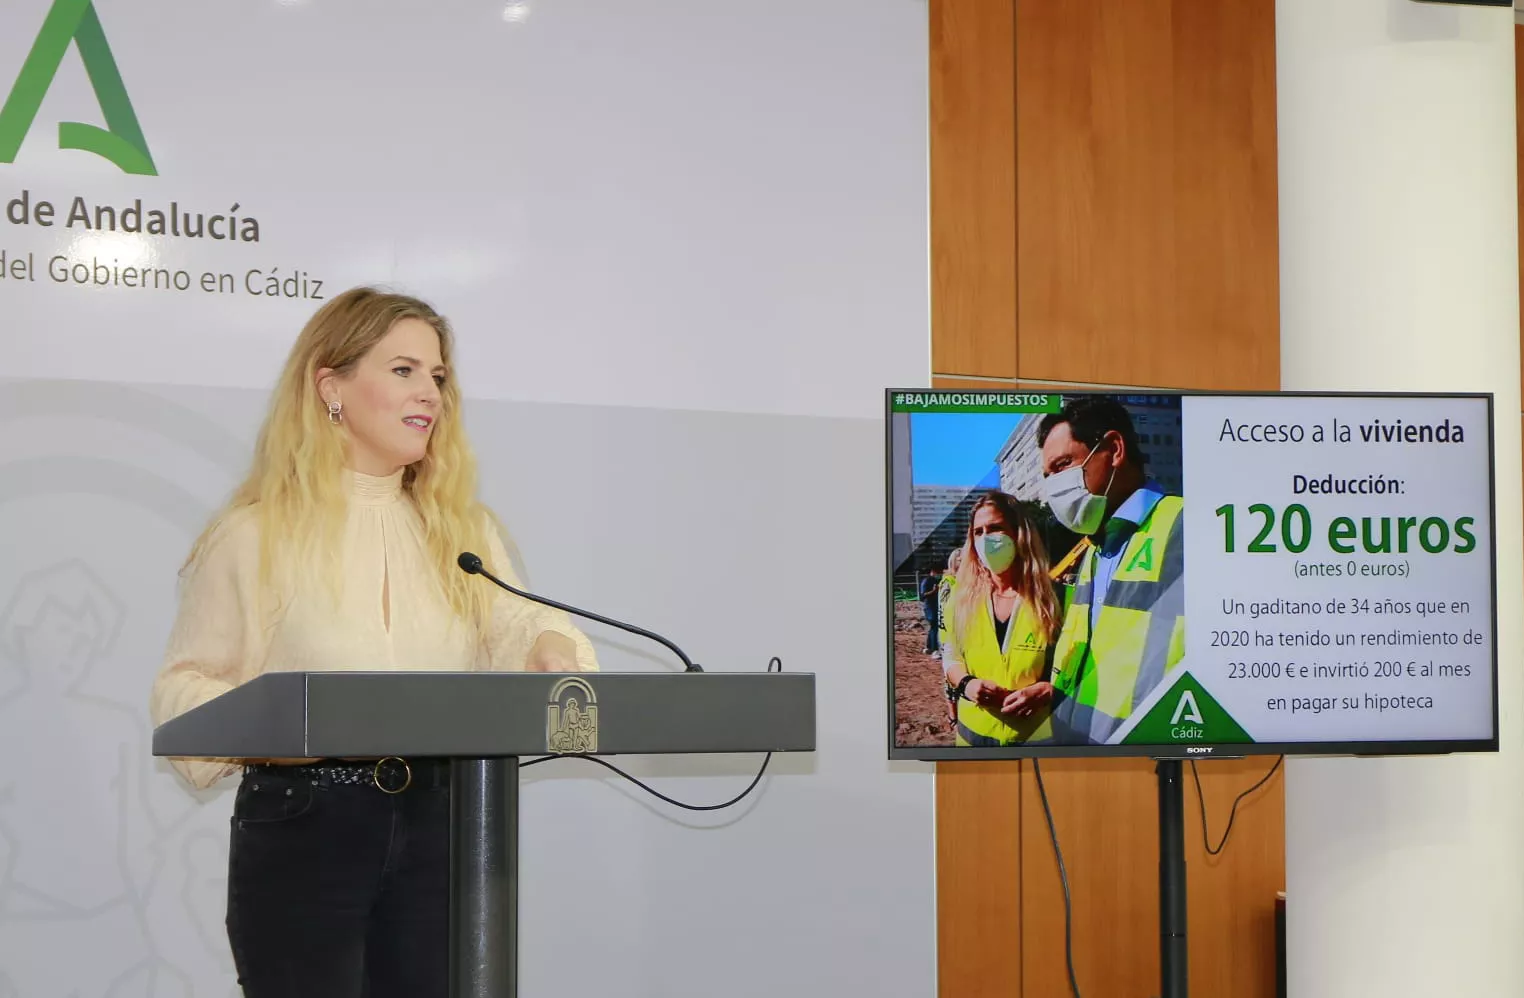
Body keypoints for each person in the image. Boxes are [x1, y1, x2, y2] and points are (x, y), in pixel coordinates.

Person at [148, 287, 599, 998]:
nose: (431, 394)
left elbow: (525, 625)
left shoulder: (464, 534)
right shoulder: (254, 536)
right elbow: (183, 695)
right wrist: (284, 725)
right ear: (331, 386)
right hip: (306, 827)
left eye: (439, 377)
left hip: (444, 822)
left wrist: (550, 646)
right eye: (404, 371)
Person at [1037, 395, 1183, 745]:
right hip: (1082, 746)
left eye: (1062, 465)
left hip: (1152, 753)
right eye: (1047, 475)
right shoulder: (1096, 547)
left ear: (1114, 449)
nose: (1053, 486)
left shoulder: (1189, 529)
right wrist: (1054, 691)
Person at [940, 491, 1063, 746]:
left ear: (1019, 534)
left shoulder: (1058, 598)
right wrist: (966, 684)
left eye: (995, 528)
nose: (986, 539)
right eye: (978, 532)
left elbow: (1077, 668)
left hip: (1037, 742)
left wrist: (1050, 690)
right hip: (972, 742)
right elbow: (950, 655)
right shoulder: (960, 600)